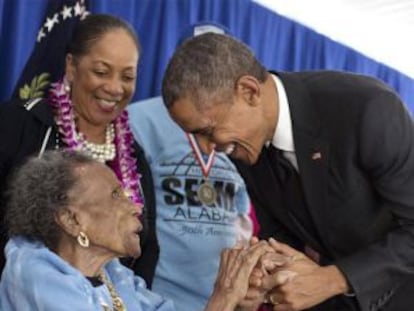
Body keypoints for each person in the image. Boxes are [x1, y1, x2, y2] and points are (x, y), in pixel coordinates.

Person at [161, 32, 414, 311]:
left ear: (249, 91)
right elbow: (283, 235)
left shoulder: (368, 109)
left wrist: (334, 279)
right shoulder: (244, 146)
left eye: (207, 131)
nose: (206, 149)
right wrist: (267, 275)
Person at [0, 150, 272, 311]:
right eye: (116, 195)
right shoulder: (34, 274)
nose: (136, 207)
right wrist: (222, 299)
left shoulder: (114, 275)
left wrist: (236, 299)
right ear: (72, 220)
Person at [0, 14, 158, 284]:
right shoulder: (18, 124)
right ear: (71, 66)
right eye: (101, 72)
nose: (114, 88)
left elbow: (145, 251)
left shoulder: (135, 157)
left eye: (127, 76)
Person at [128, 22, 255, 311]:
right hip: (158, 298)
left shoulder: (243, 125)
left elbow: (242, 218)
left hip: (222, 299)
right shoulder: (140, 120)